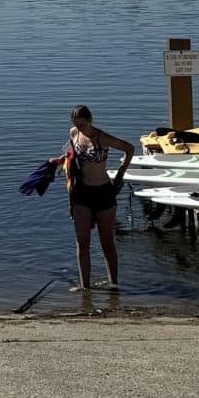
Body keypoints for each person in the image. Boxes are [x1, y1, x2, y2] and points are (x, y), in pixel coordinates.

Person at [57, 104, 137, 290]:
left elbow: (129, 149)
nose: (80, 128)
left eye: (83, 125)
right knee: (82, 241)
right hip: (82, 192)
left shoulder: (102, 138)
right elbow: (72, 155)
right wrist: (60, 161)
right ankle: (85, 287)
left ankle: (114, 284)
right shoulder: (74, 134)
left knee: (106, 240)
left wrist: (120, 174)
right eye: (76, 125)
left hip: (103, 191)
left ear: (90, 120)